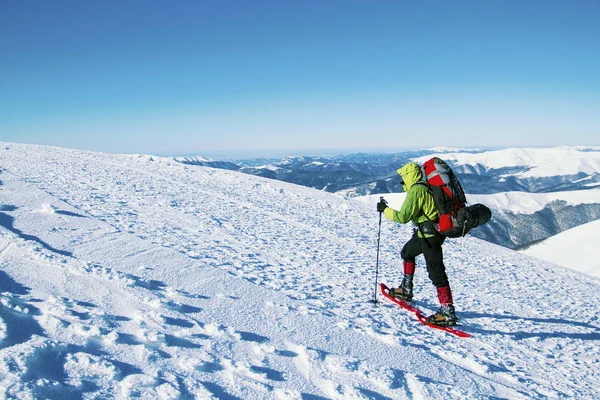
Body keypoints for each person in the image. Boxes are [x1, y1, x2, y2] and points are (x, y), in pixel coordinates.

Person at [376, 162, 457, 326]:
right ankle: (406, 289)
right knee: (407, 252)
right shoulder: (424, 186)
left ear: (409, 176)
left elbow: (402, 217)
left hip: (430, 236)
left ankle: (447, 312)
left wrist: (385, 209)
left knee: (436, 271)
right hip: (425, 233)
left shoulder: (416, 191)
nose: (401, 182)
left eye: (403, 178)